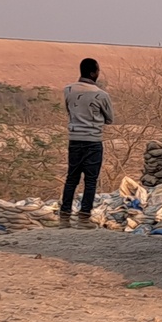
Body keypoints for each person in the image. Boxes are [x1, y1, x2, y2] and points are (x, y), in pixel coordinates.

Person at [62, 57, 114, 226]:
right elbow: (109, 119)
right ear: (93, 73)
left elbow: (69, 111)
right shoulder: (101, 95)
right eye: (98, 71)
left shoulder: (68, 90)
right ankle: (84, 216)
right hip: (93, 141)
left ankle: (64, 215)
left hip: (74, 139)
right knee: (90, 181)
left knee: (72, 178)